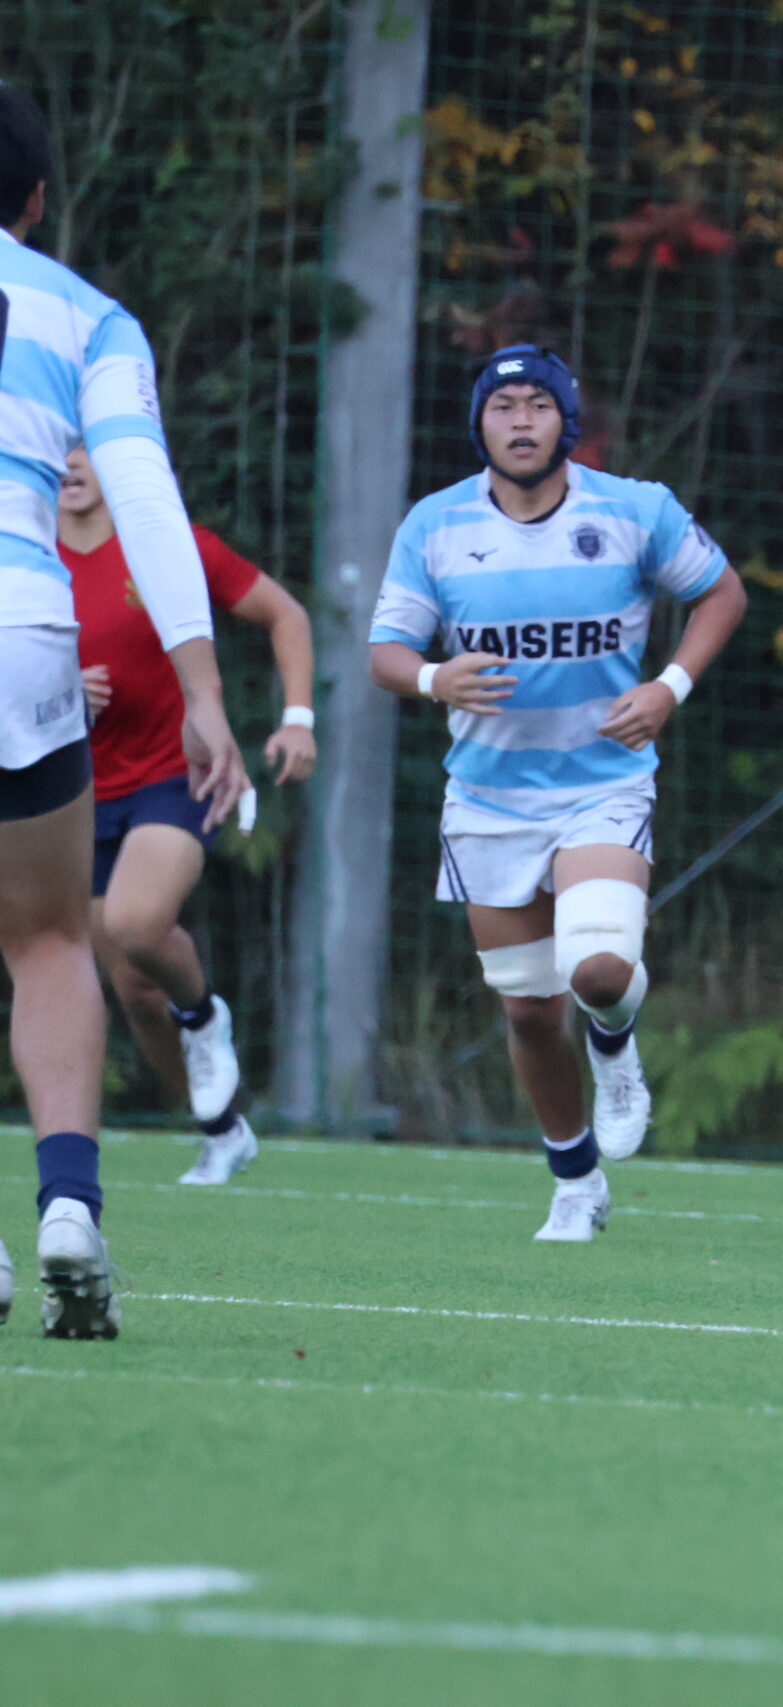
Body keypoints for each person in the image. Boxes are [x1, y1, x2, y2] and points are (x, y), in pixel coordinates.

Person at [370, 345, 746, 1240]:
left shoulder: (634, 509)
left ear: (565, 419)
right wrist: (433, 679)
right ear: (480, 424)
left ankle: (614, 1039)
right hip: (488, 798)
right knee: (531, 1013)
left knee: (600, 970)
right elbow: (386, 653)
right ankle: (575, 1181)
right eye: (503, 407)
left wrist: (669, 688)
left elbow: (723, 593)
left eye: (538, 404)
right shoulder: (434, 524)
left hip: (603, 786)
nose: (521, 421)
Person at [0, 83, 247, 1338]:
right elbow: (147, 502)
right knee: (51, 940)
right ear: (39, 199)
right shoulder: (86, 316)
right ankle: (67, 1208)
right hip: (22, 625)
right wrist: (205, 689)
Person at [60, 445, 316, 1186]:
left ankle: (204, 1017)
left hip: (176, 775)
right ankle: (223, 1130)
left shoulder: (169, 543)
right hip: (72, 794)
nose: (70, 463)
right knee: (136, 991)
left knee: (136, 923)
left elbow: (286, 613)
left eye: (85, 446)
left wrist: (297, 718)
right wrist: (52, 683)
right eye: (58, 444)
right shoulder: (24, 556)